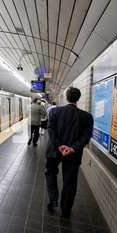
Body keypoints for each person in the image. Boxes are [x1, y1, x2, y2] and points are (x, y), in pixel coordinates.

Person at [45, 87, 94, 218]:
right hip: (73, 154)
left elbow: (51, 130)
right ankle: (66, 210)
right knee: (70, 181)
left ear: (66, 98)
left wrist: (60, 146)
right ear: (78, 99)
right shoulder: (87, 117)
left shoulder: (55, 112)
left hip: (54, 151)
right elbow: (85, 137)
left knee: (50, 172)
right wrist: (72, 148)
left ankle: (53, 198)